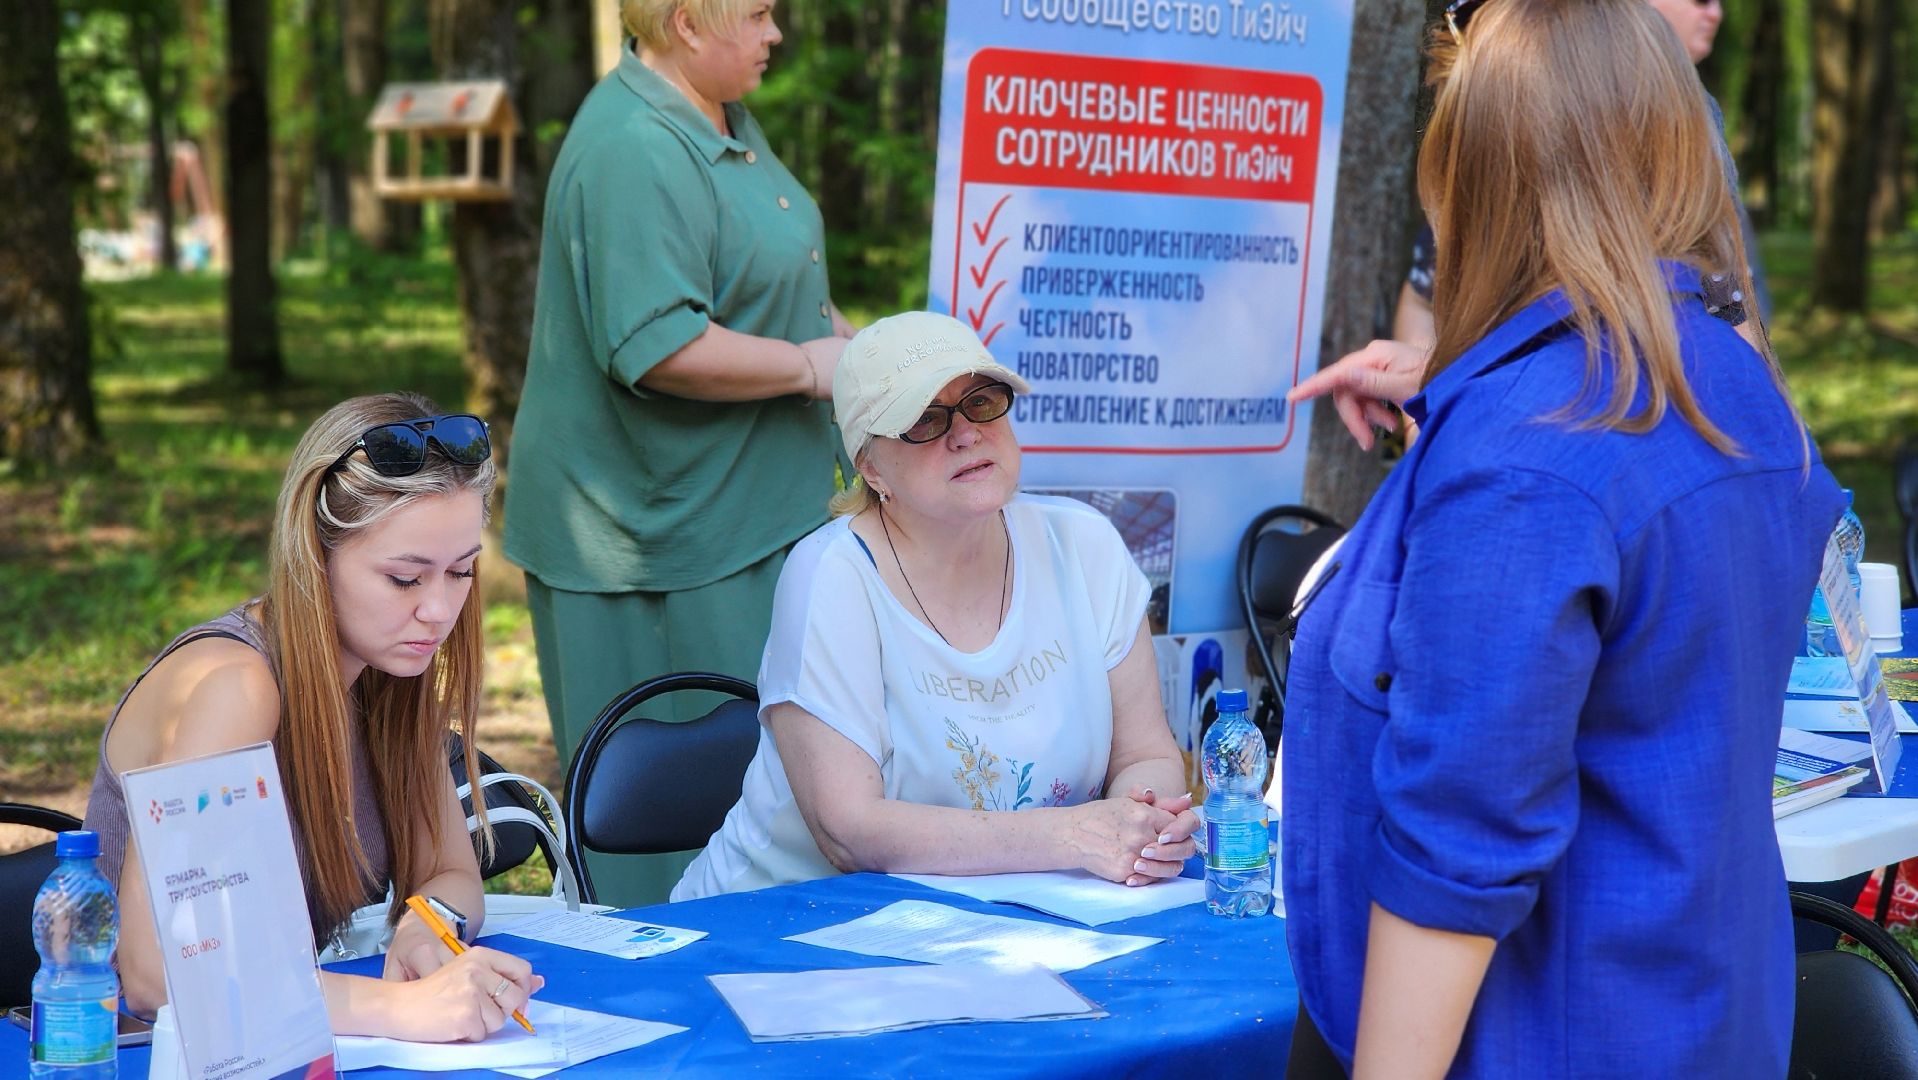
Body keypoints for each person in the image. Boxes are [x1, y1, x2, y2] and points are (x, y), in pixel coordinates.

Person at [1279, 1, 1842, 1075]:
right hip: (1699, 1012)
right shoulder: (1730, 386)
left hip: (1541, 1036)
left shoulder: (1525, 462)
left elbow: (1458, 843)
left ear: (1475, 170)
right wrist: (1462, 404)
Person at [505, 0, 855, 907]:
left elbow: (784, 299)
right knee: (667, 855)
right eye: (760, 15)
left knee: (765, 814)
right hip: (658, 547)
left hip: (747, 519)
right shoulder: (632, 146)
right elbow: (657, 347)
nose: (777, 34)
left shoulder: (725, 116)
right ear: (689, 23)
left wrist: (874, 365)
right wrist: (812, 371)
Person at [672, 312, 1199, 900]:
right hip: (779, 929)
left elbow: (1147, 753)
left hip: (1016, 920)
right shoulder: (832, 575)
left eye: (981, 401)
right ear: (871, 469)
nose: (966, 433)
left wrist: (1138, 826)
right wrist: (1073, 835)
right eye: (924, 420)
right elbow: (849, 832)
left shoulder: (1084, 545)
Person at [83, 393, 543, 1042]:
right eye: (405, 579)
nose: (439, 610)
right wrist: (402, 1009)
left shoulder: (391, 676)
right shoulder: (238, 686)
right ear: (314, 555)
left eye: (461, 571)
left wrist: (426, 920)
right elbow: (157, 975)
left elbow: (453, 874)